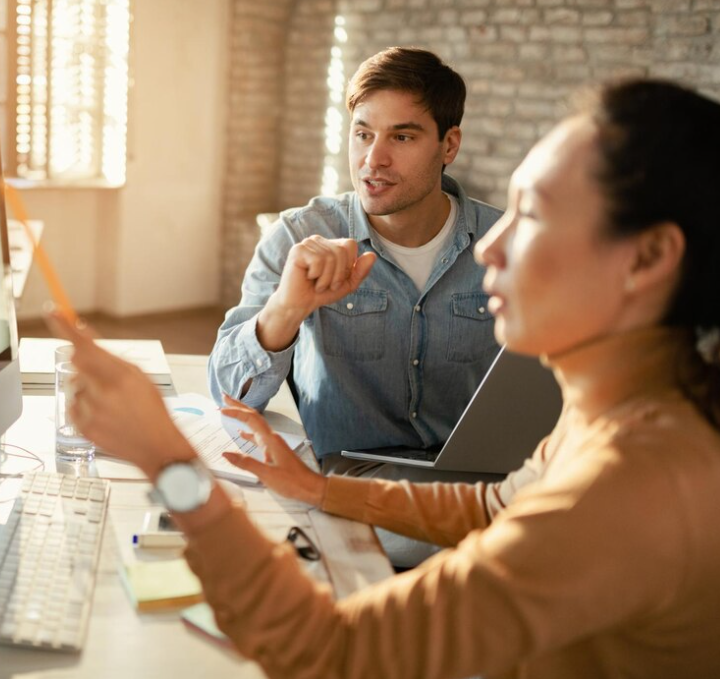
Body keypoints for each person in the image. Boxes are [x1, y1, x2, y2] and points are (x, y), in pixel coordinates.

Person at [50, 78, 720, 678]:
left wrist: (169, 461)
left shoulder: (626, 484)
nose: (488, 245)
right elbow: (494, 505)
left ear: (649, 257)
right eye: (363, 133)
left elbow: (332, 652)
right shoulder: (622, 410)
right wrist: (317, 486)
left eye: (535, 213)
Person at [208, 47, 502, 469]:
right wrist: (285, 310)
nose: (373, 160)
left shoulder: (508, 245)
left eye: (401, 137)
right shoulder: (297, 236)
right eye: (363, 134)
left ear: (449, 145)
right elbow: (229, 397)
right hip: (346, 477)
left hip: (476, 478)